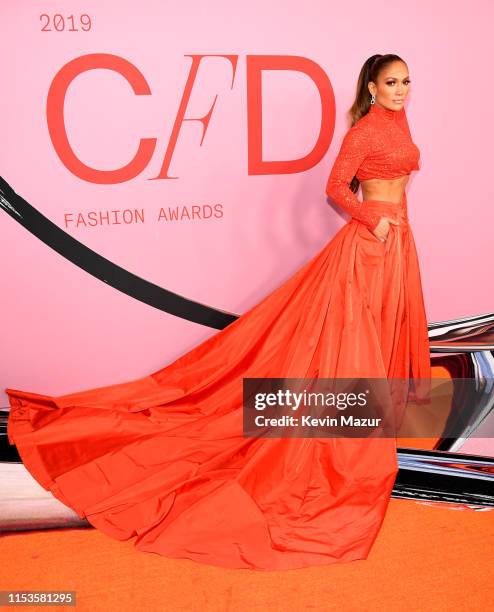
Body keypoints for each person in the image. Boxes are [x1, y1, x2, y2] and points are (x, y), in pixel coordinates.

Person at [5, 53, 431, 571]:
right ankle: (349, 438)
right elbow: (335, 187)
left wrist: (396, 229)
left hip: (398, 246)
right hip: (368, 246)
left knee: (379, 337)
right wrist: (372, 218)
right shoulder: (363, 131)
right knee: (350, 345)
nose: (401, 90)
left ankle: (370, 419)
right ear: (370, 85)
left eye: (406, 81)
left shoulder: (400, 122)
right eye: (391, 82)